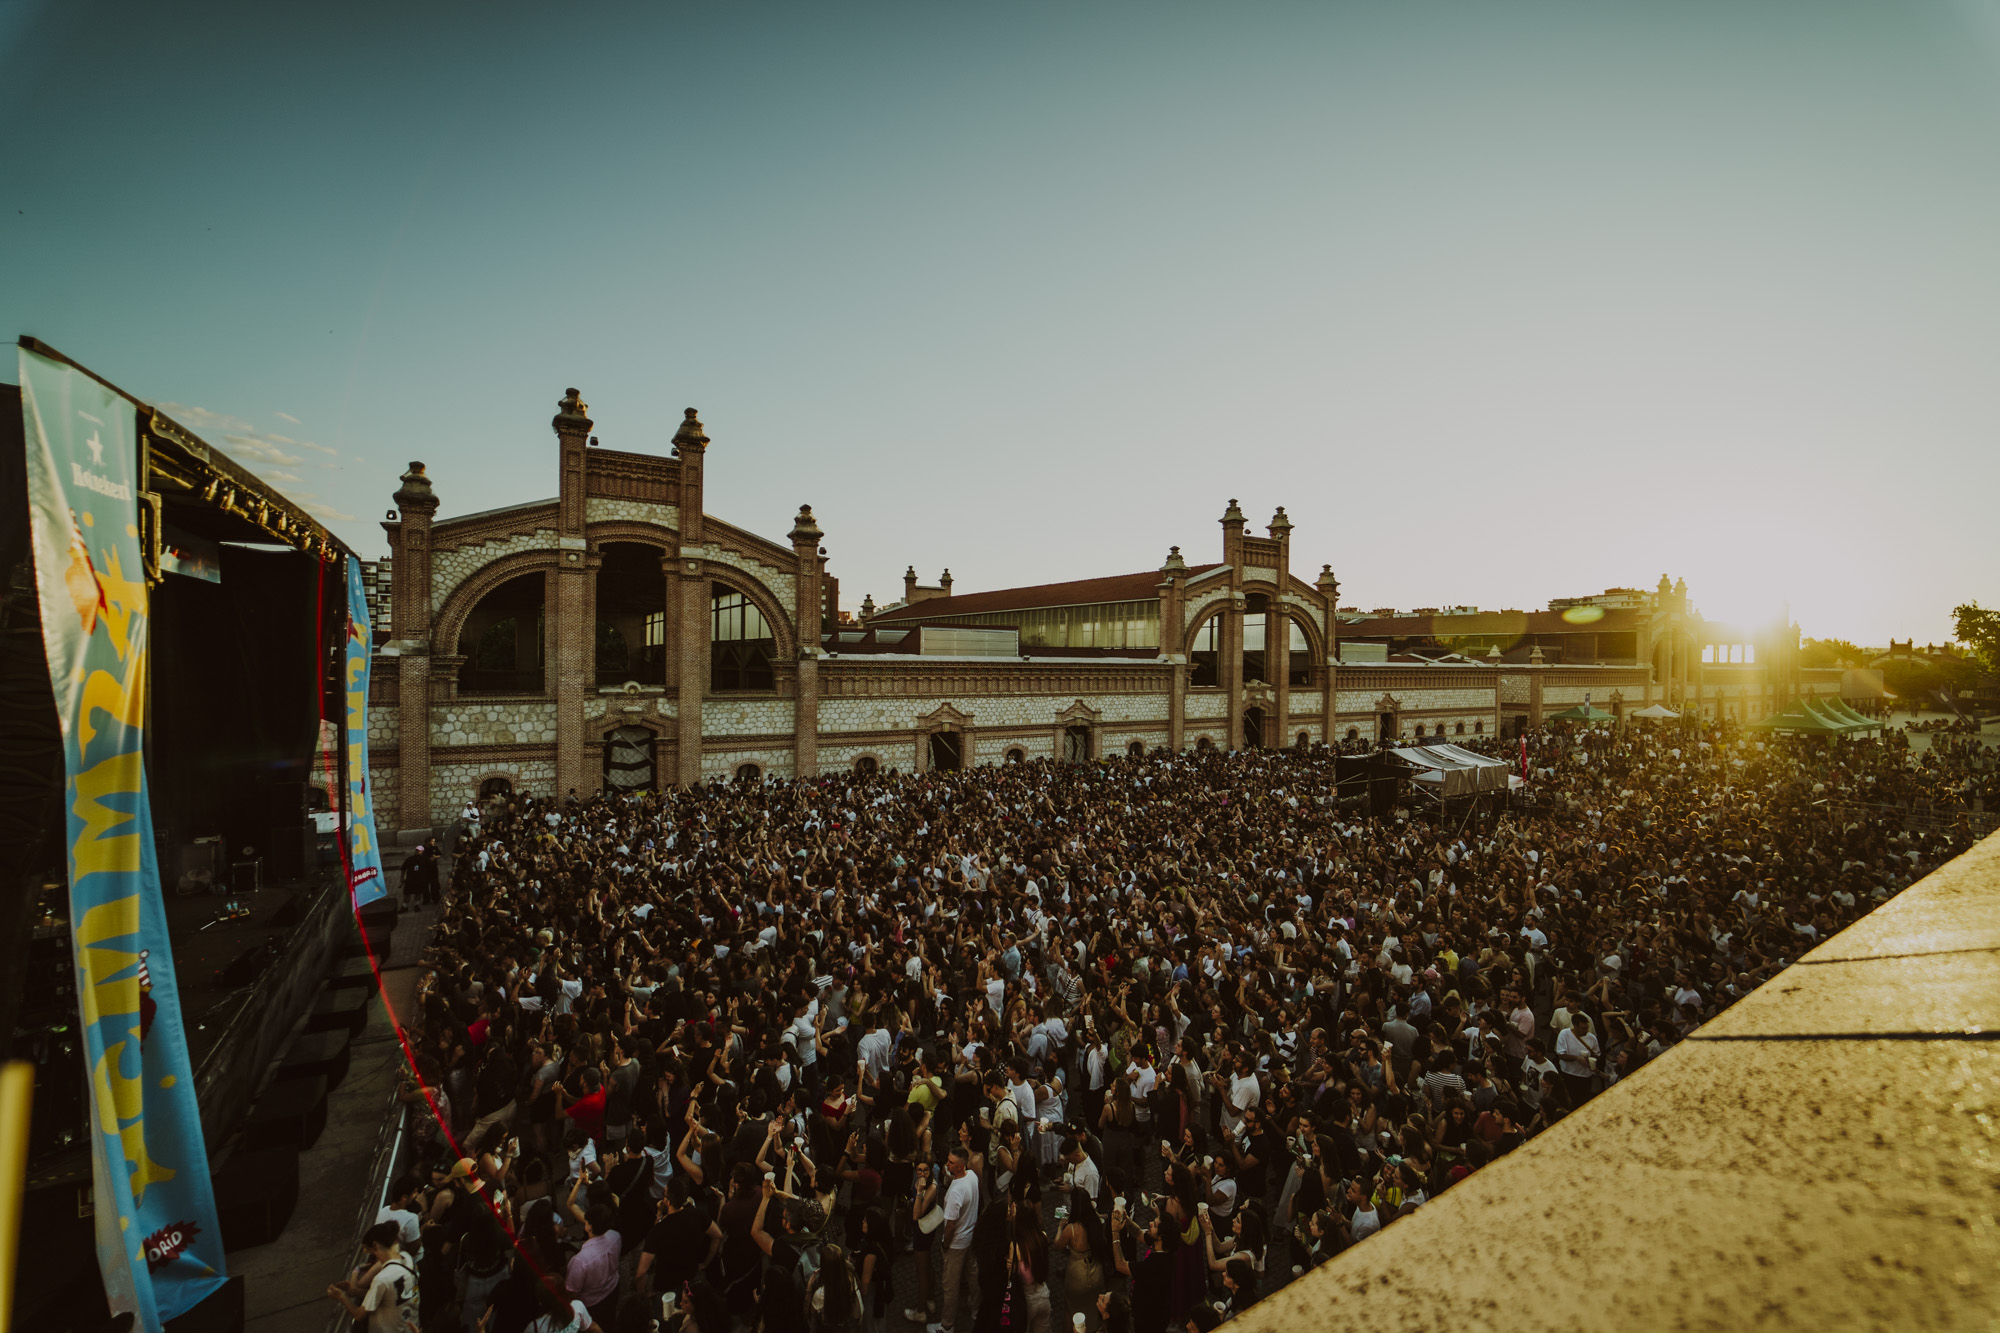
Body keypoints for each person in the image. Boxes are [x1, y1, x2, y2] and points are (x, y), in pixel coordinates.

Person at [326, 1220, 418, 1332]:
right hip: (412, 1326)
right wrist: (356, 1291)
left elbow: (359, 1315)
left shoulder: (381, 1279)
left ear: (374, 1246)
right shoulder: (407, 1258)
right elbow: (388, 1295)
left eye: (366, 1249)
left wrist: (341, 1296)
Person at [934, 1145, 980, 1333]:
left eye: (951, 1163)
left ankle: (947, 1325)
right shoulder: (972, 1176)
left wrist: (945, 1244)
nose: (947, 1164)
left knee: (950, 1284)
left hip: (957, 1243)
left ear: (961, 1166)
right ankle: (976, 1308)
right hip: (971, 1236)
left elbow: (950, 1225)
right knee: (973, 1274)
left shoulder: (954, 1193)